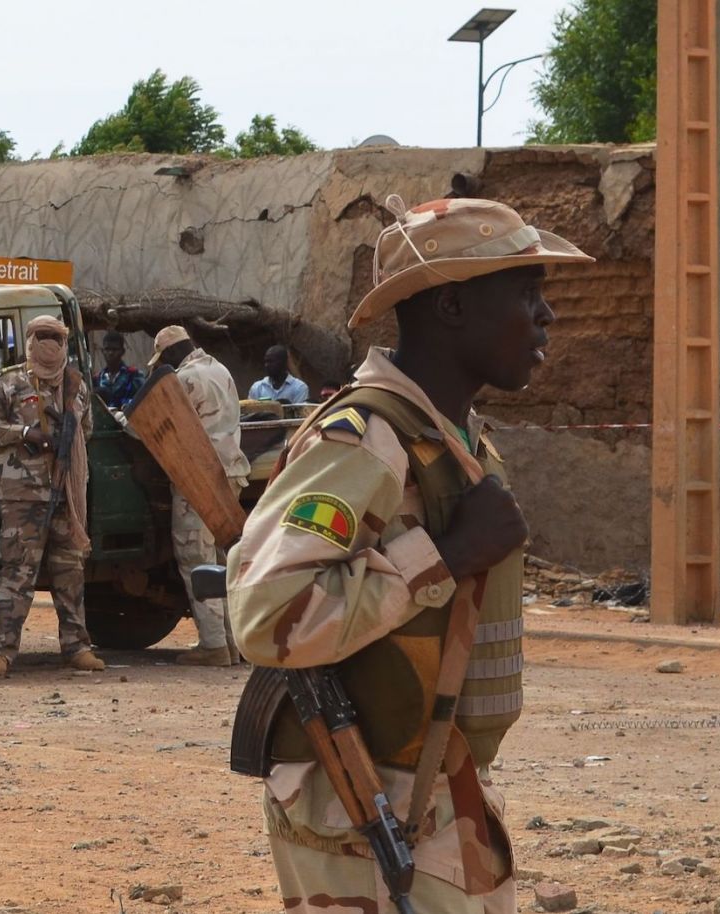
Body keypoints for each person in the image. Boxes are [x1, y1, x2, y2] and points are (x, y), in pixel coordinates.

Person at [227, 196, 591, 912]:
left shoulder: (453, 440)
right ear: (451, 306)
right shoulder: (364, 439)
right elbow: (268, 617)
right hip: (359, 804)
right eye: (525, 292)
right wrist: (445, 557)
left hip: (436, 791)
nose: (545, 314)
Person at [0, 314, 105, 677]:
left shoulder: (75, 384)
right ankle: (1, 651)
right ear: (29, 340)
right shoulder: (9, 382)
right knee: (18, 573)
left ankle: (77, 647)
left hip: (67, 495)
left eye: (56, 337)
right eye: (42, 336)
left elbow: (86, 430)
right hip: (22, 495)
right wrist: (25, 433)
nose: (50, 343)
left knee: (70, 573)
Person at [148, 324, 251, 666]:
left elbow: (160, 423)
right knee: (222, 562)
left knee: (196, 559)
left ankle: (213, 645)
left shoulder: (184, 379)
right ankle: (233, 643)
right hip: (231, 473)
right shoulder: (220, 370)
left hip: (199, 477)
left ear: (172, 353)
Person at [92, 331, 145, 410]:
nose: (110, 353)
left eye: (114, 349)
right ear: (103, 352)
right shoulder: (97, 379)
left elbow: (142, 399)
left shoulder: (134, 375)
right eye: (107, 349)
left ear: (122, 351)